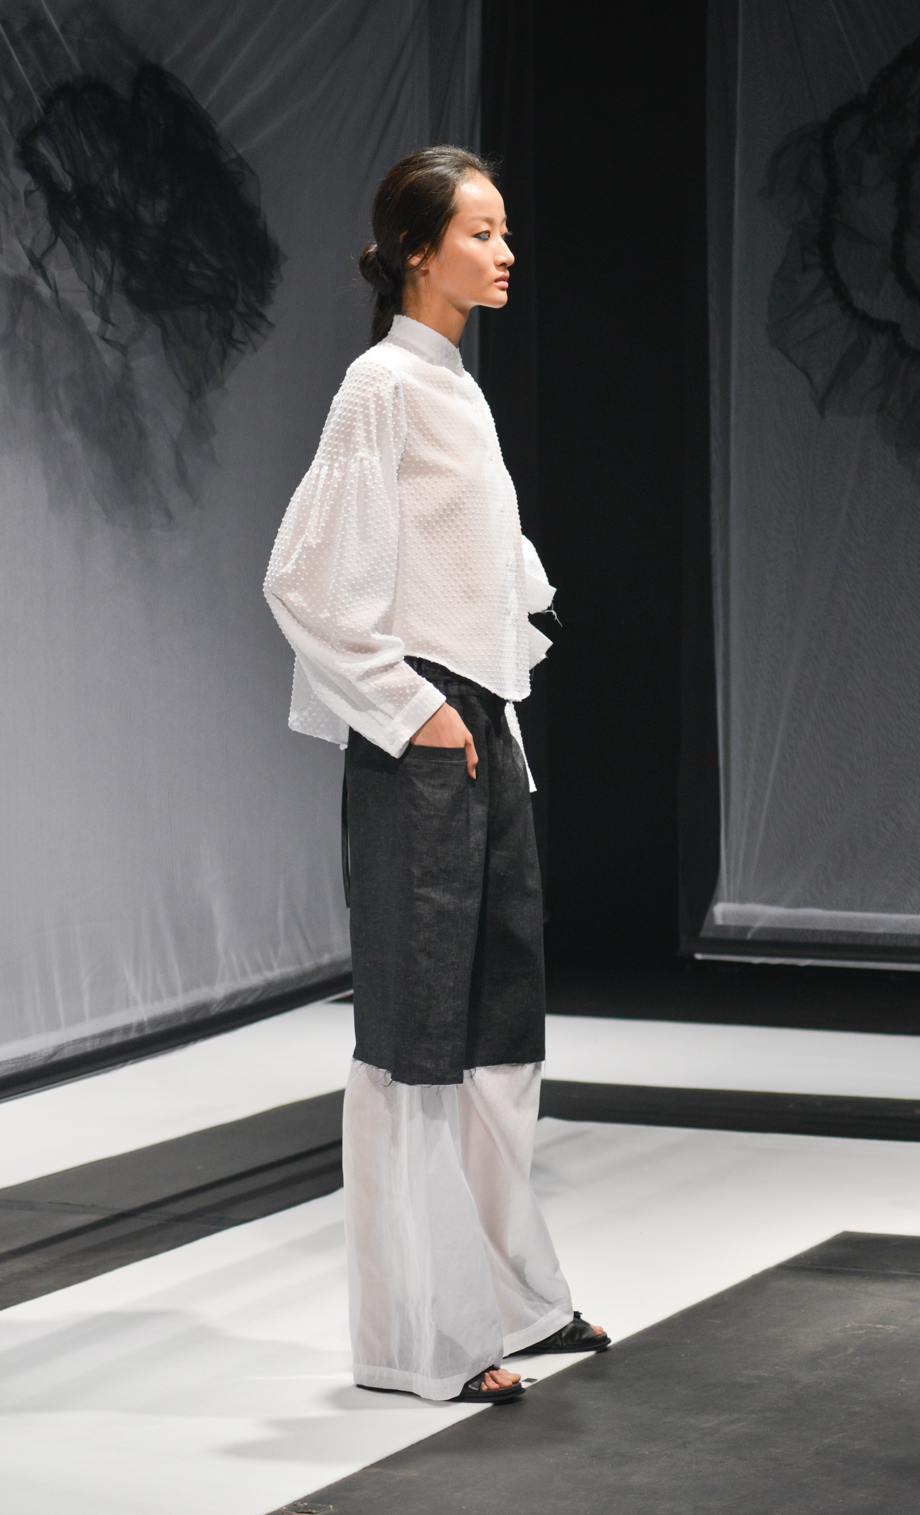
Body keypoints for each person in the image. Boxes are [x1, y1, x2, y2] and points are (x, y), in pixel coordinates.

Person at [264, 146, 608, 1404]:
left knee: (499, 1019)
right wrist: (415, 711)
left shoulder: (452, 384)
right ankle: (421, 1339)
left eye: (504, 230)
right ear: (418, 250)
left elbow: (484, 554)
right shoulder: (380, 387)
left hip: (481, 723)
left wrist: (515, 637)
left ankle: (512, 1294)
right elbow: (304, 580)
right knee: (418, 1037)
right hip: (425, 736)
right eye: (480, 231)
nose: (505, 251)